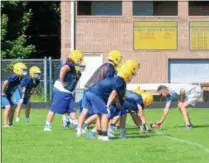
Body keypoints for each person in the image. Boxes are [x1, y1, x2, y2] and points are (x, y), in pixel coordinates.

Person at [77, 64, 134, 141]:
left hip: (89, 92)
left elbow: (115, 94)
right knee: (104, 114)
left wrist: (117, 102)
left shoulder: (116, 79)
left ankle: (82, 130)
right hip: (96, 94)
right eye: (131, 74)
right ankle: (104, 136)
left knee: (99, 115)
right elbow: (113, 94)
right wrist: (107, 106)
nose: (131, 76)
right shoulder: (120, 81)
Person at [44, 50, 85, 131]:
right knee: (54, 108)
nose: (80, 61)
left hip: (68, 92)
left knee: (72, 110)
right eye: (79, 59)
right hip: (61, 90)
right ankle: (47, 125)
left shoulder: (74, 68)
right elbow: (63, 69)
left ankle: (77, 126)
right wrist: (62, 82)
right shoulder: (69, 64)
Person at [1, 62, 28, 127]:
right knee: (8, 106)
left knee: (13, 107)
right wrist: (2, 92)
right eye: (23, 70)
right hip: (2, 93)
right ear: (17, 69)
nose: (24, 71)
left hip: (8, 94)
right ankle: (5, 124)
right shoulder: (14, 76)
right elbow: (5, 83)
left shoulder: (20, 77)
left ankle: (10, 124)